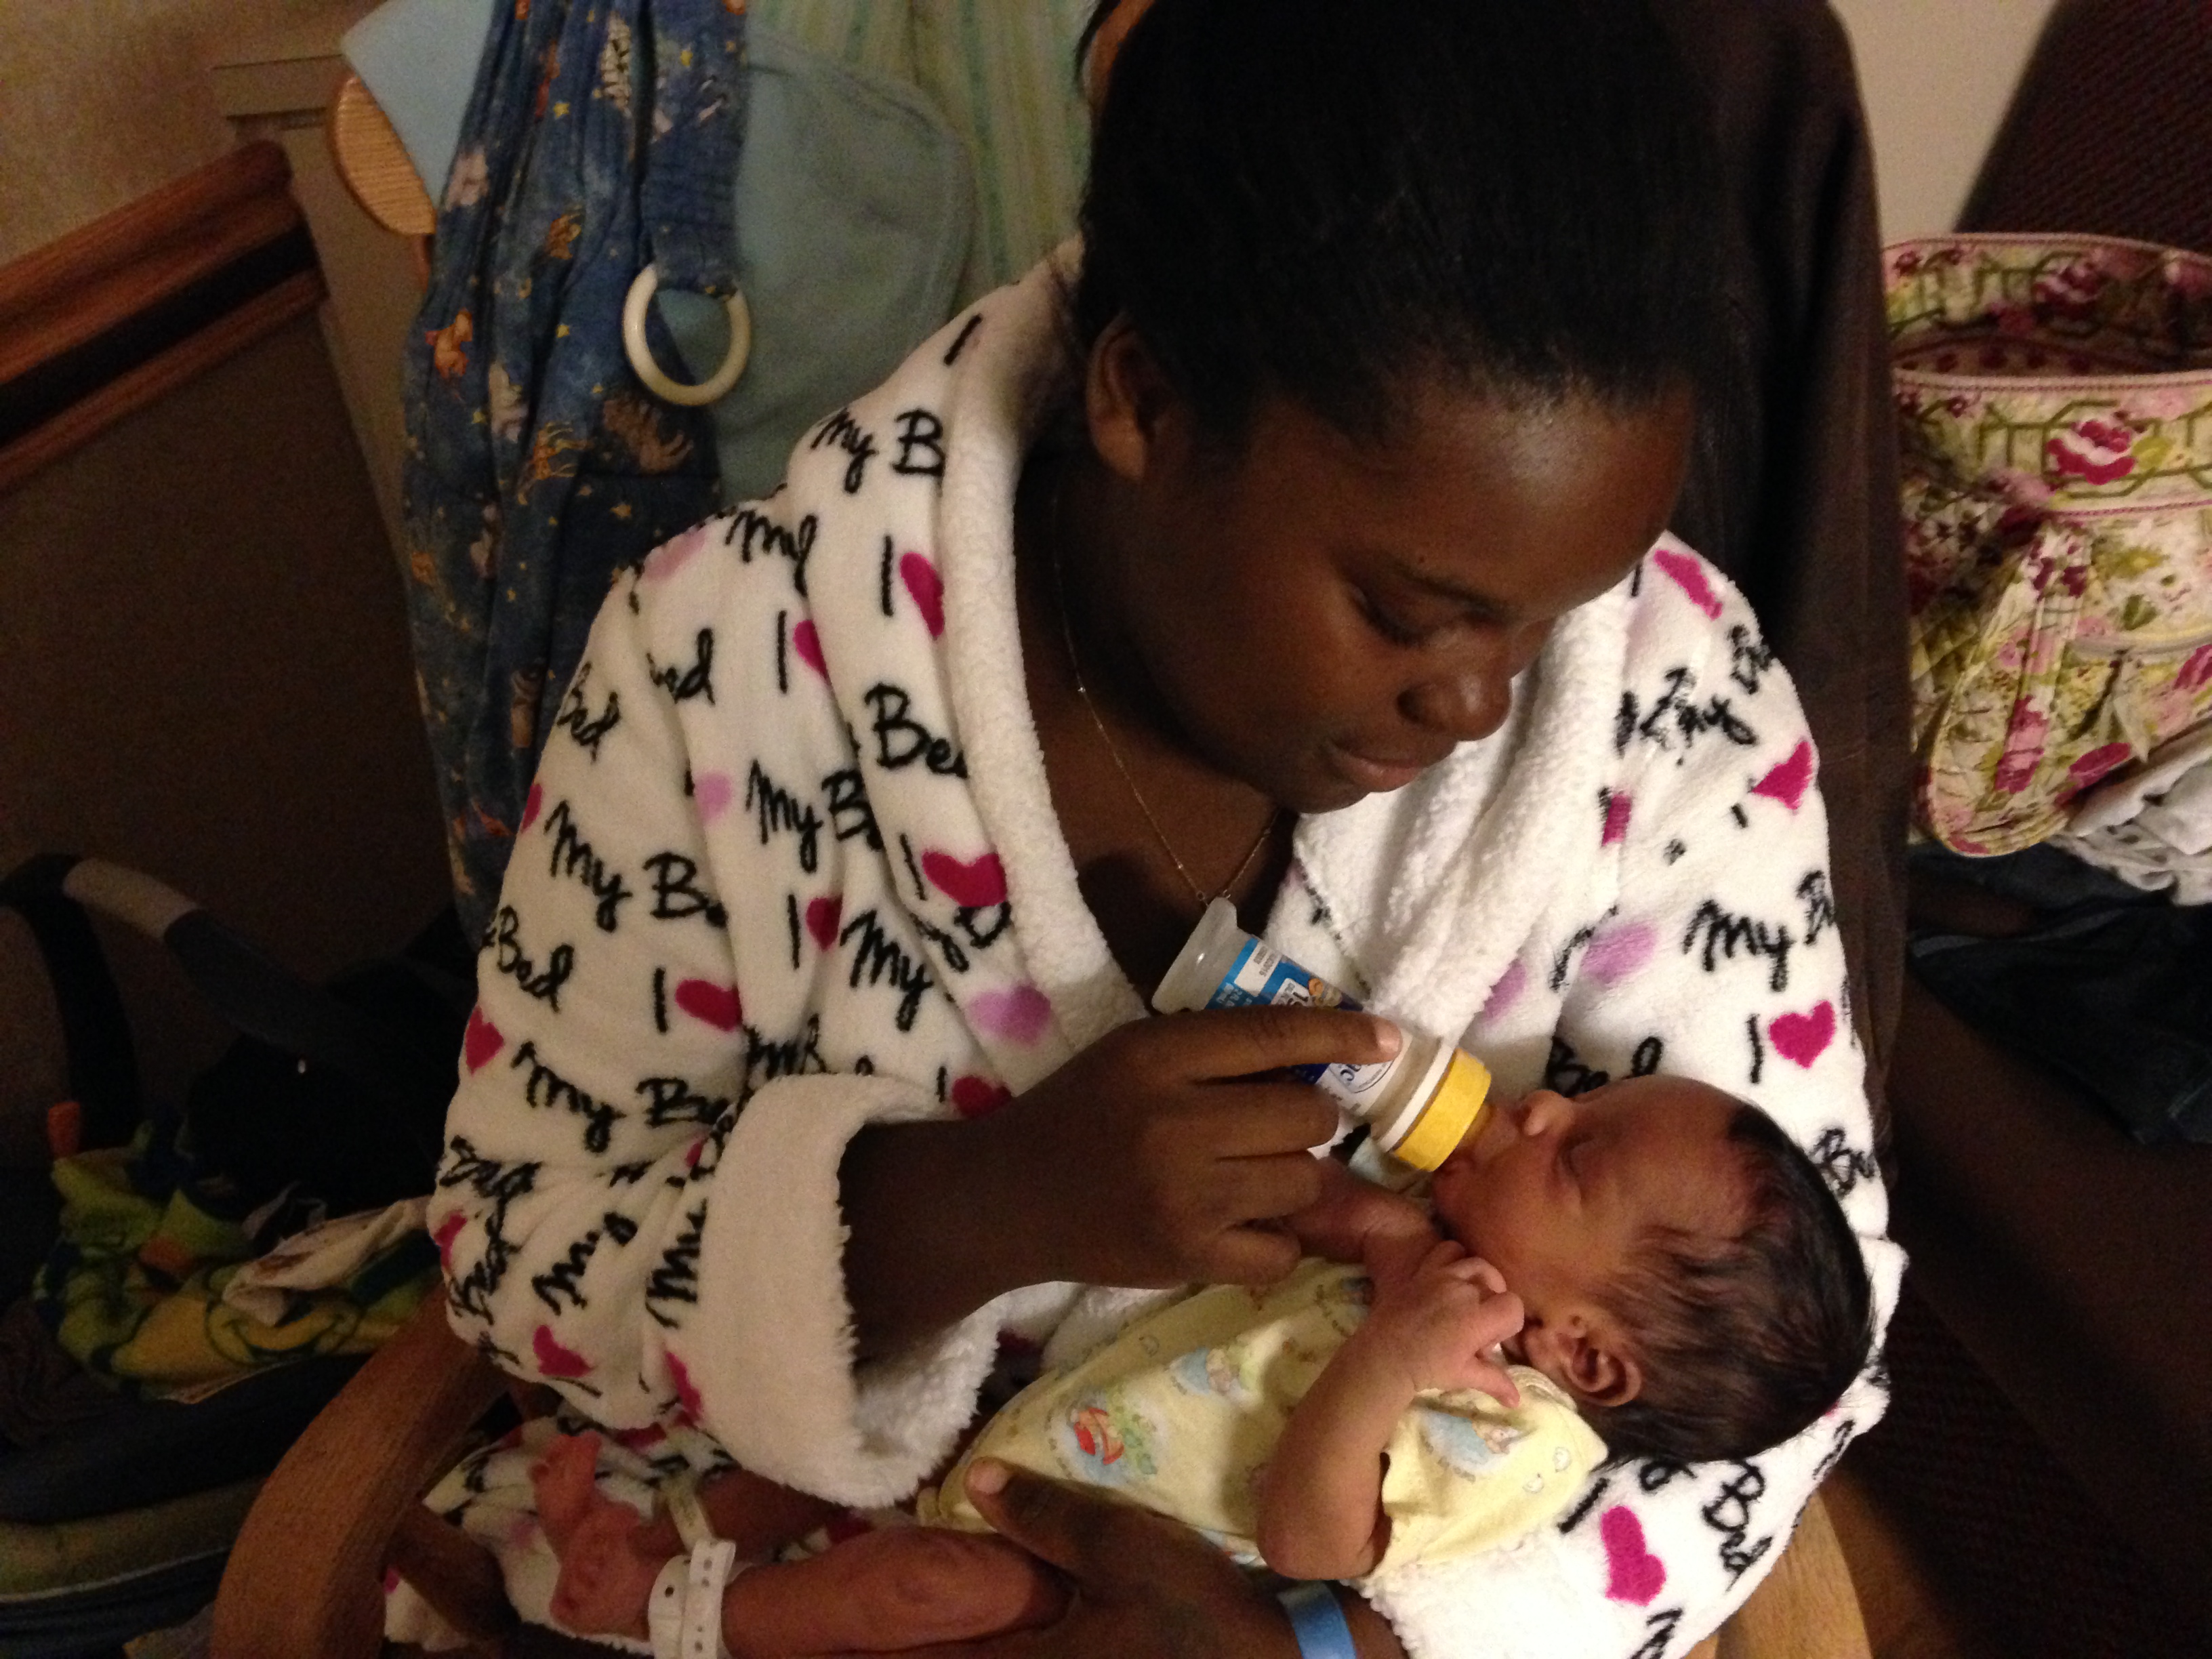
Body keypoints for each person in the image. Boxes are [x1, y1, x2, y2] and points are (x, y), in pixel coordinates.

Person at [417, 3, 1902, 1656]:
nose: (1484, 703)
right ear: (1146, 397)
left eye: (1553, 614)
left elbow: (1789, 1372)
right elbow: (521, 1252)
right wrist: (968, 1206)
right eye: (1407, 611)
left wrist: (1336, 1647)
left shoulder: (1671, 694)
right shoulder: (731, 673)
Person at [521, 1073, 1872, 1651]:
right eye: (1570, 1103)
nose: (1540, 1105)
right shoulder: (1436, 1259)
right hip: (1032, 1426)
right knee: (851, 1434)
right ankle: (658, 1531)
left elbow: (1310, 1542)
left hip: (1070, 1574)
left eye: (1574, 1155)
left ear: (1587, 1354)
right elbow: (1307, 1206)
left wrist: (1390, 1357)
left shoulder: (1516, 1435)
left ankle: (674, 1623)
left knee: (914, 1583)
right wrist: (1365, 1209)